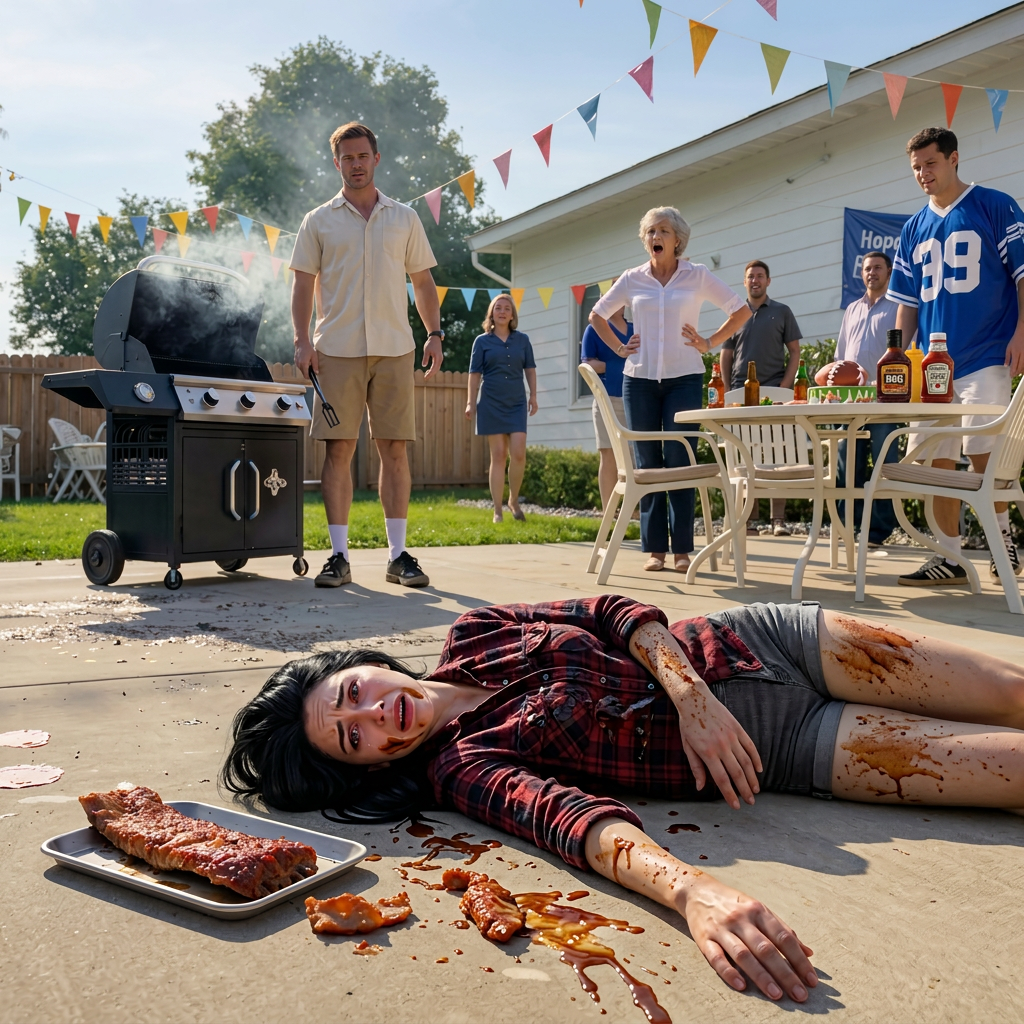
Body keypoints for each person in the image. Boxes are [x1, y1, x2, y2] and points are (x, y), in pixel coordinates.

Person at [224, 594, 1024, 1005]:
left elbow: (610, 613)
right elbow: (573, 823)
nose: (373, 713)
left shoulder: (473, 632)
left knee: (1013, 688)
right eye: (353, 736)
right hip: (788, 747)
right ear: (364, 767)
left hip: (762, 639)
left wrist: (695, 699)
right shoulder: (462, 768)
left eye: (354, 692)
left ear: (363, 666)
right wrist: (694, 891)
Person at [290, 121, 444, 591]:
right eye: (346, 158)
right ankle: (338, 557)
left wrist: (435, 333)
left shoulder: (405, 218)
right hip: (335, 350)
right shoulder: (318, 221)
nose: (355, 164)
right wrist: (302, 340)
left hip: (396, 348)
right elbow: (301, 284)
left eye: (363, 156)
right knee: (339, 449)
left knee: (393, 449)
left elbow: (422, 283)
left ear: (376, 159)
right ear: (336, 164)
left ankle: (399, 556)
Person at [887, 126, 1024, 587]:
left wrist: (1022, 330)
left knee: (986, 455)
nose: (923, 173)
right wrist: (898, 354)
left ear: (954, 159)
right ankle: (949, 556)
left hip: (987, 350)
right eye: (916, 167)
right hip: (931, 364)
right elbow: (906, 301)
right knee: (936, 459)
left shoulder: (994, 204)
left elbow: (1022, 275)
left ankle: (1002, 538)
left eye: (930, 163)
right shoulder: (912, 227)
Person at [589, 207, 750, 573]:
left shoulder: (697, 275)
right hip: (639, 381)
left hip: (684, 379)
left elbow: (739, 311)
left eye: (662, 231)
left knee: (680, 463)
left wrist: (709, 342)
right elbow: (597, 315)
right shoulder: (633, 279)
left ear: (678, 239)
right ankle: (655, 550)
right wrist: (618, 348)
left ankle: (682, 551)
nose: (655, 237)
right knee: (648, 464)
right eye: (649, 232)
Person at [721, 260, 803, 536]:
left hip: (775, 393)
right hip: (740, 395)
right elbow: (727, 354)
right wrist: (725, 388)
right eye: (750, 277)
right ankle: (750, 519)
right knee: (747, 456)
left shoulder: (782, 312)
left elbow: (794, 351)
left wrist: (785, 386)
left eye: (759, 276)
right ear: (744, 282)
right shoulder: (735, 314)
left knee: (779, 453)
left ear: (768, 281)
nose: (755, 280)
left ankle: (778, 520)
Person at [833, 251, 901, 549]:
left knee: (884, 464)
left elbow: (906, 350)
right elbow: (840, 357)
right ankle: (846, 526)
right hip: (850, 402)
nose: (871, 273)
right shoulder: (852, 309)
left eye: (877, 268)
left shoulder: (899, 307)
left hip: (885, 400)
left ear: (888, 271)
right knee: (847, 465)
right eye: (866, 268)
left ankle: (878, 531)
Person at [465, 295, 538, 522]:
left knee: (518, 453)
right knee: (498, 455)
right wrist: (470, 401)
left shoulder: (522, 340)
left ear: (513, 314)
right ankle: (497, 510)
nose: (503, 311)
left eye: (507, 308)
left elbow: (530, 369)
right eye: (498, 308)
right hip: (491, 403)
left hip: (516, 402)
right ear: (492, 313)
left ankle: (513, 500)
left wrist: (533, 396)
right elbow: (474, 374)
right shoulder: (482, 341)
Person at [580, 304, 632, 509]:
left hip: (635, 399)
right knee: (608, 453)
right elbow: (587, 365)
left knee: (633, 455)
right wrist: (615, 367)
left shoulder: (637, 329)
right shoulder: (594, 328)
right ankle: (609, 511)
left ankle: (632, 509)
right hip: (606, 399)